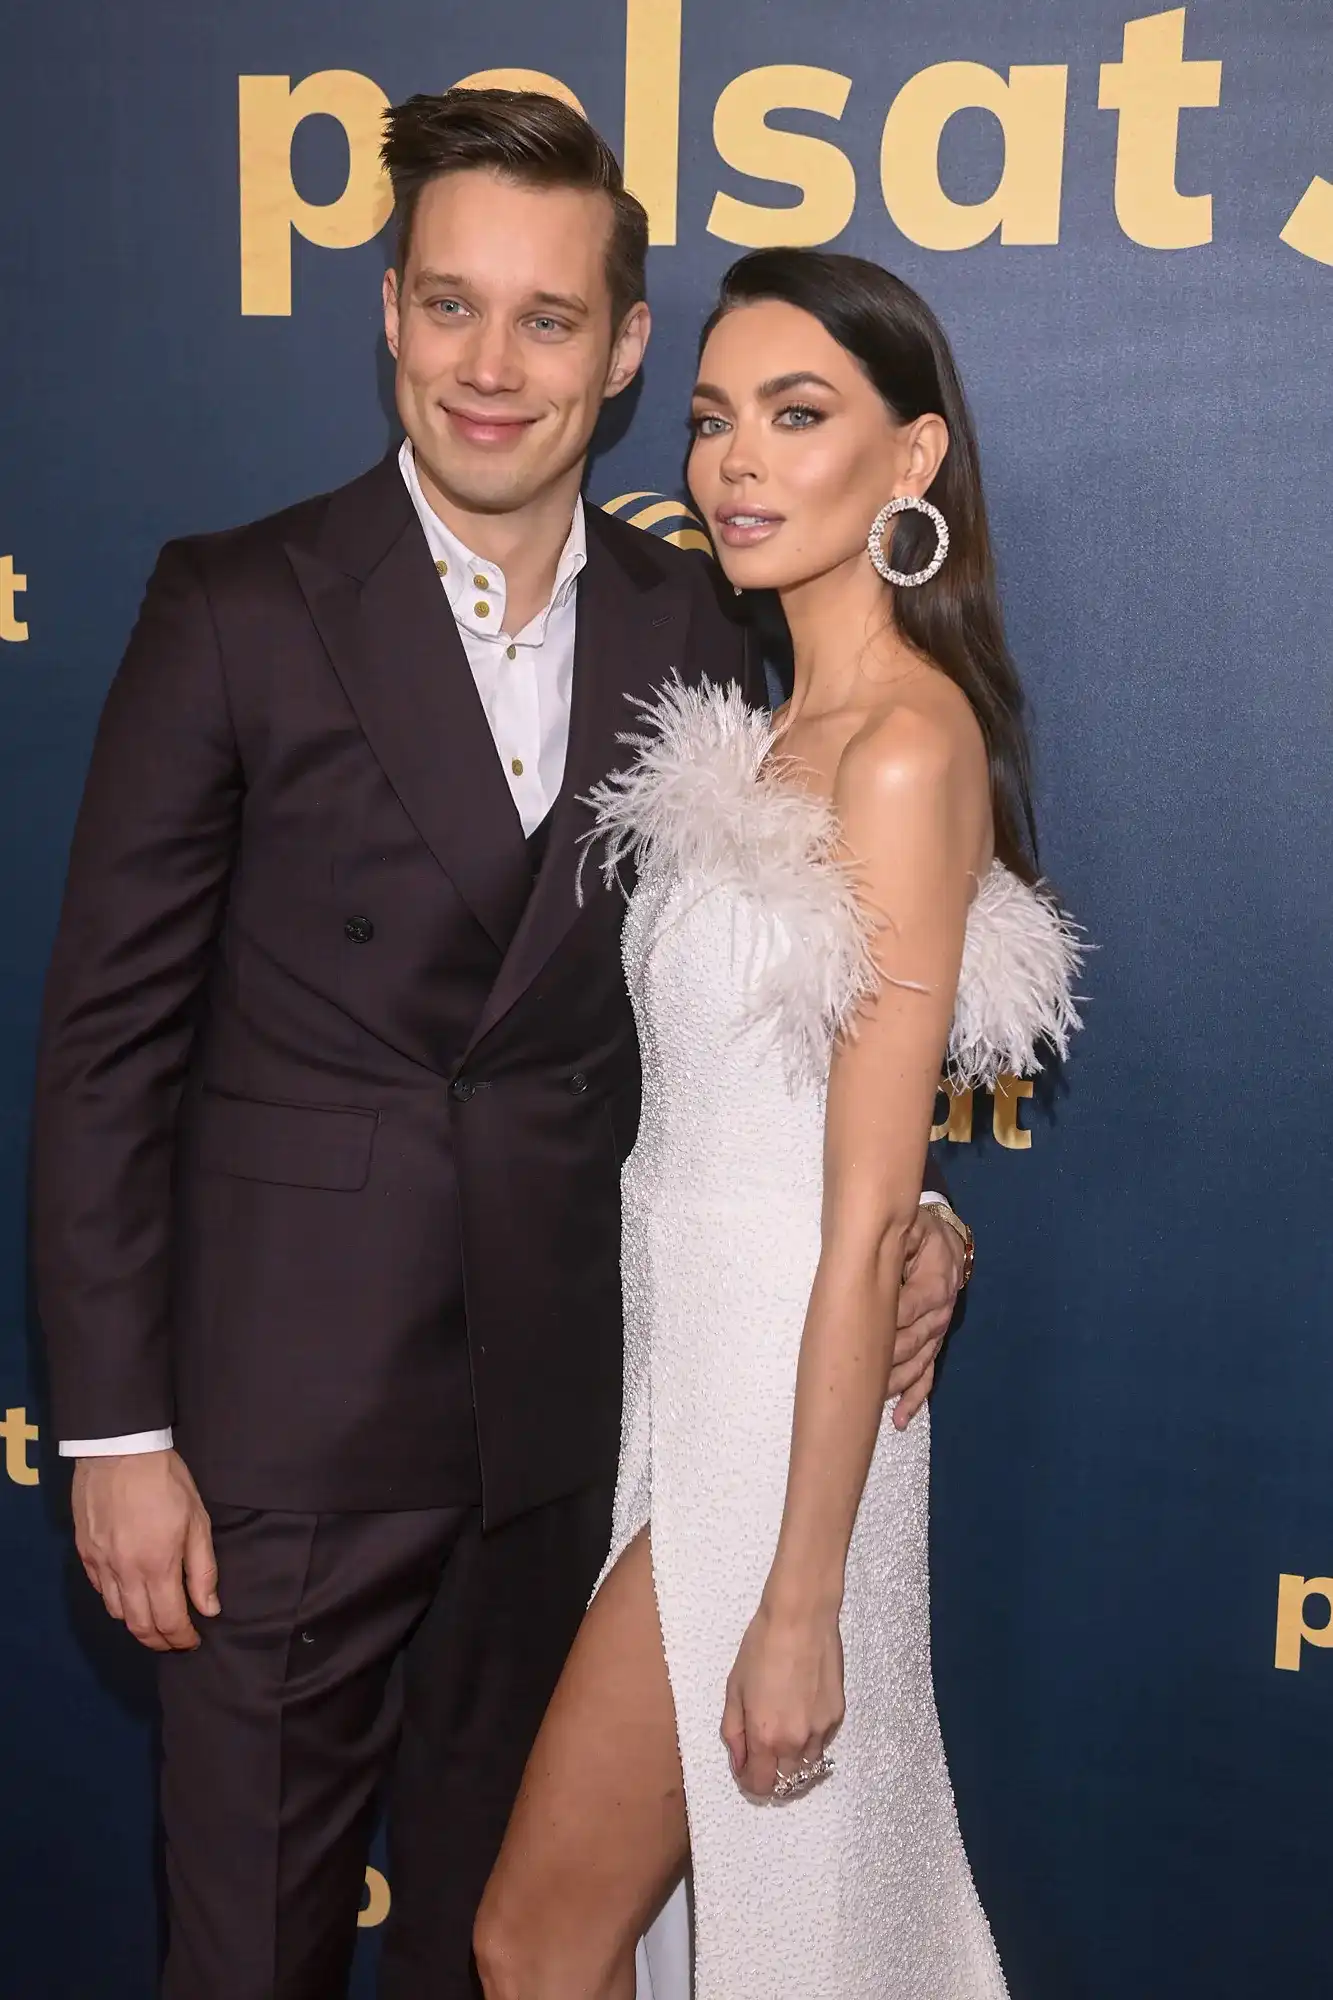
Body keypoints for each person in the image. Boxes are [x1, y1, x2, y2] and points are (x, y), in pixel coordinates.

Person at [30, 95, 968, 1999]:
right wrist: (118, 1430)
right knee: (246, 1957)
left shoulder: (702, 624)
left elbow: (797, 994)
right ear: (387, 310)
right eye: (451, 304)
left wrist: (920, 1219)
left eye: (549, 320)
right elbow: (106, 1046)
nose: (490, 365)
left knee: (509, 1949)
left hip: (565, 1432)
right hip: (278, 1441)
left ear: (620, 353)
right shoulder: (236, 603)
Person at [477, 249, 1084, 2000]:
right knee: (624, 1937)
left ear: (913, 458)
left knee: (532, 1937)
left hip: (778, 1426)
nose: (737, 460)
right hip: (685, 1387)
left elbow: (864, 1209)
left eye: (798, 415)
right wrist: (938, 1229)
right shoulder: (759, 739)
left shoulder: (903, 749)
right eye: (714, 417)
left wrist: (804, 1597)